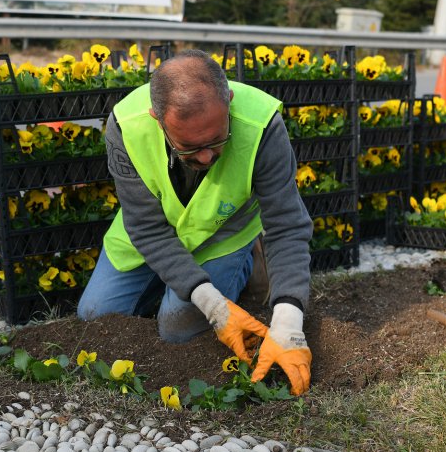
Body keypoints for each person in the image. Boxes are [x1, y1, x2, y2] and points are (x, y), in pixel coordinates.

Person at [77, 49, 314, 395]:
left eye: (217, 140)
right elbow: (146, 227)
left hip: (223, 233)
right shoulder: (126, 126)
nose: (205, 156)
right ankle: (177, 282)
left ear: (228, 101)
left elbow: (287, 224)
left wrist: (289, 322)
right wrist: (214, 307)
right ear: (158, 119)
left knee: (177, 329)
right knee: (95, 317)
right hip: (148, 235)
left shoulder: (262, 125)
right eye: (189, 147)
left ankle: (249, 260)